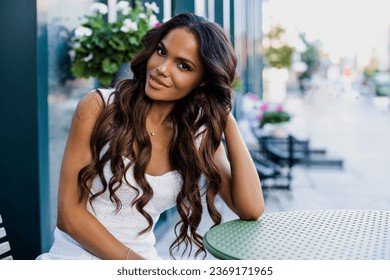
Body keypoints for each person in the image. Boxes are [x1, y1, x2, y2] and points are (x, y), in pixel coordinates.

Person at [37, 13, 264, 260]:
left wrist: (226, 118)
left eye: (183, 66)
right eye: (162, 51)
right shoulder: (99, 108)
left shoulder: (195, 135)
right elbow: (69, 216)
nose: (161, 69)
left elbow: (251, 208)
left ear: (202, 81)